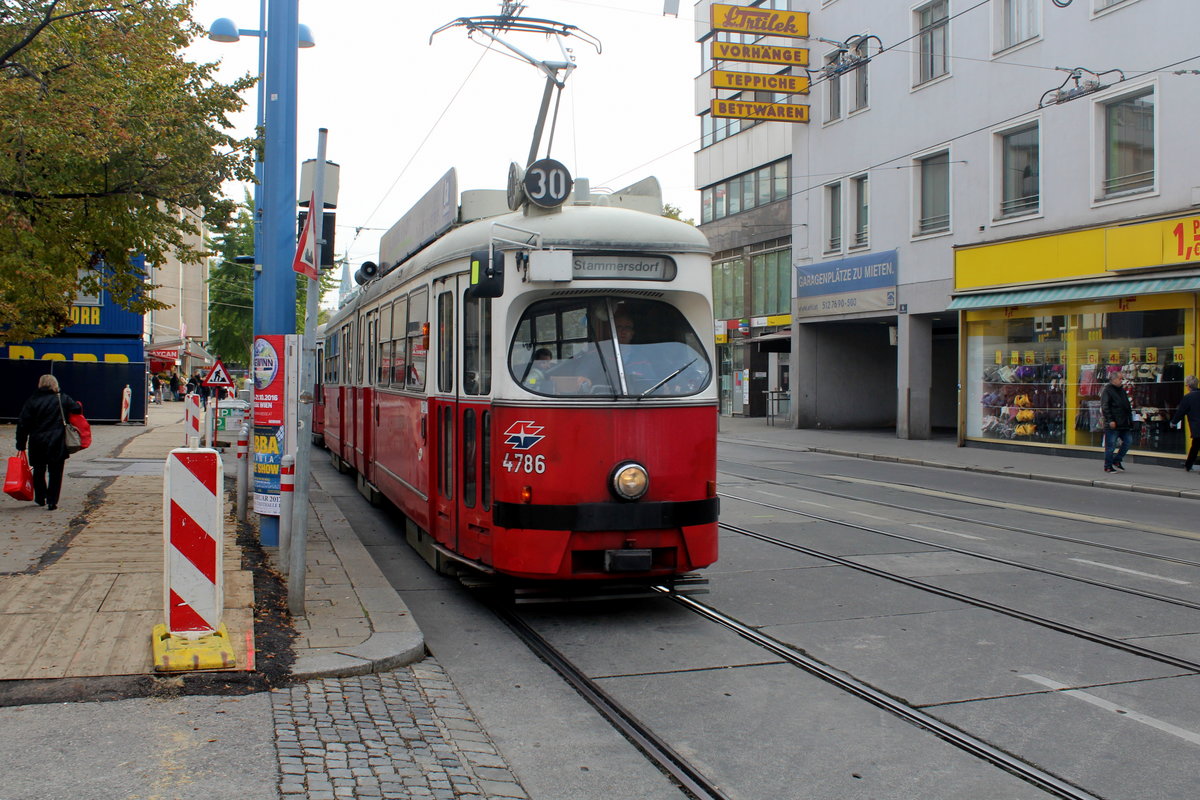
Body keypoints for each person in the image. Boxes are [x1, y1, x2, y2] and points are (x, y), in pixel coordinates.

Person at [15, 374, 82, 510]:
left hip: (37, 441)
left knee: (39, 471)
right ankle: (52, 501)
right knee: (56, 472)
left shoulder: (32, 401)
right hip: (57, 441)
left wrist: (21, 443)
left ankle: (40, 497)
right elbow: (76, 408)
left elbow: (23, 423)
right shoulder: (61, 398)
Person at [1100, 371, 1134, 473]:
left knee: (1128, 441)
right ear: (1113, 379)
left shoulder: (1121, 390)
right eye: (1120, 379)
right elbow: (1105, 407)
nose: (1121, 381)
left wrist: (1129, 420)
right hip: (1113, 423)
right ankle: (1108, 466)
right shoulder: (1107, 390)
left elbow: (1126, 405)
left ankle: (1117, 460)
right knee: (1111, 446)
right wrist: (1110, 420)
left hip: (1123, 423)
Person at [1171, 375, 1200, 471]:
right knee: (1195, 446)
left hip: (1197, 426)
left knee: (1195, 446)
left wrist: (1174, 422)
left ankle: (1188, 465)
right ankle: (1188, 464)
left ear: (1188, 386)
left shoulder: (1188, 397)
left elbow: (1181, 411)